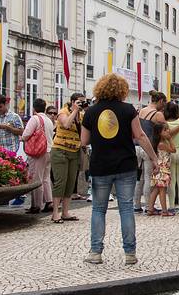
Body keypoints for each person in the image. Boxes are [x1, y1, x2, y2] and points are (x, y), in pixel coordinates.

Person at [82, 73, 158, 265]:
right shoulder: (128, 110)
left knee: (98, 209)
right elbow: (140, 136)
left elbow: (84, 141)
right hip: (125, 165)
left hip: (100, 166)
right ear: (122, 90)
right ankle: (130, 253)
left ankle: (95, 252)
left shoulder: (91, 112)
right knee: (126, 209)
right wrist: (154, 159)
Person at [50, 93, 86, 223]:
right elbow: (66, 124)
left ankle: (65, 212)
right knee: (60, 182)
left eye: (83, 102)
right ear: (72, 102)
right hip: (60, 151)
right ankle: (55, 213)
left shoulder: (81, 116)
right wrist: (75, 111)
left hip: (74, 151)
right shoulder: (62, 112)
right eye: (79, 102)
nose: (81, 104)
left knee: (71, 183)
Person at [21, 98, 54, 215]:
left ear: (34, 108)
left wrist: (22, 138)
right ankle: (49, 201)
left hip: (39, 152)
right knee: (46, 178)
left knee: (36, 178)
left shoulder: (35, 119)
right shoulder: (49, 120)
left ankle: (36, 205)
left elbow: (26, 134)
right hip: (49, 151)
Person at [135, 91, 167, 212]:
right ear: (160, 101)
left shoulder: (142, 111)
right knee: (149, 178)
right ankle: (149, 206)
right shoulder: (158, 114)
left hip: (137, 146)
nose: (163, 106)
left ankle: (136, 205)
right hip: (148, 147)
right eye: (163, 103)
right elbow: (166, 131)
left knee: (139, 178)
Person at [0, 95, 26, 206]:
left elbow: (22, 132)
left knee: (14, 174)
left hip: (12, 149)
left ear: (6, 104)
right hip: (1, 150)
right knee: (3, 175)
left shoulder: (14, 117)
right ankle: (4, 198)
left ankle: (20, 196)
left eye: (1, 107)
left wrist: (9, 128)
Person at [147, 121, 175, 216]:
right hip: (163, 169)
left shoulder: (158, 143)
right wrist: (170, 138)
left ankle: (150, 209)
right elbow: (174, 150)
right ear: (159, 132)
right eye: (165, 130)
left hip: (159, 169)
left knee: (156, 190)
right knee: (162, 190)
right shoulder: (162, 144)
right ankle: (164, 211)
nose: (168, 131)